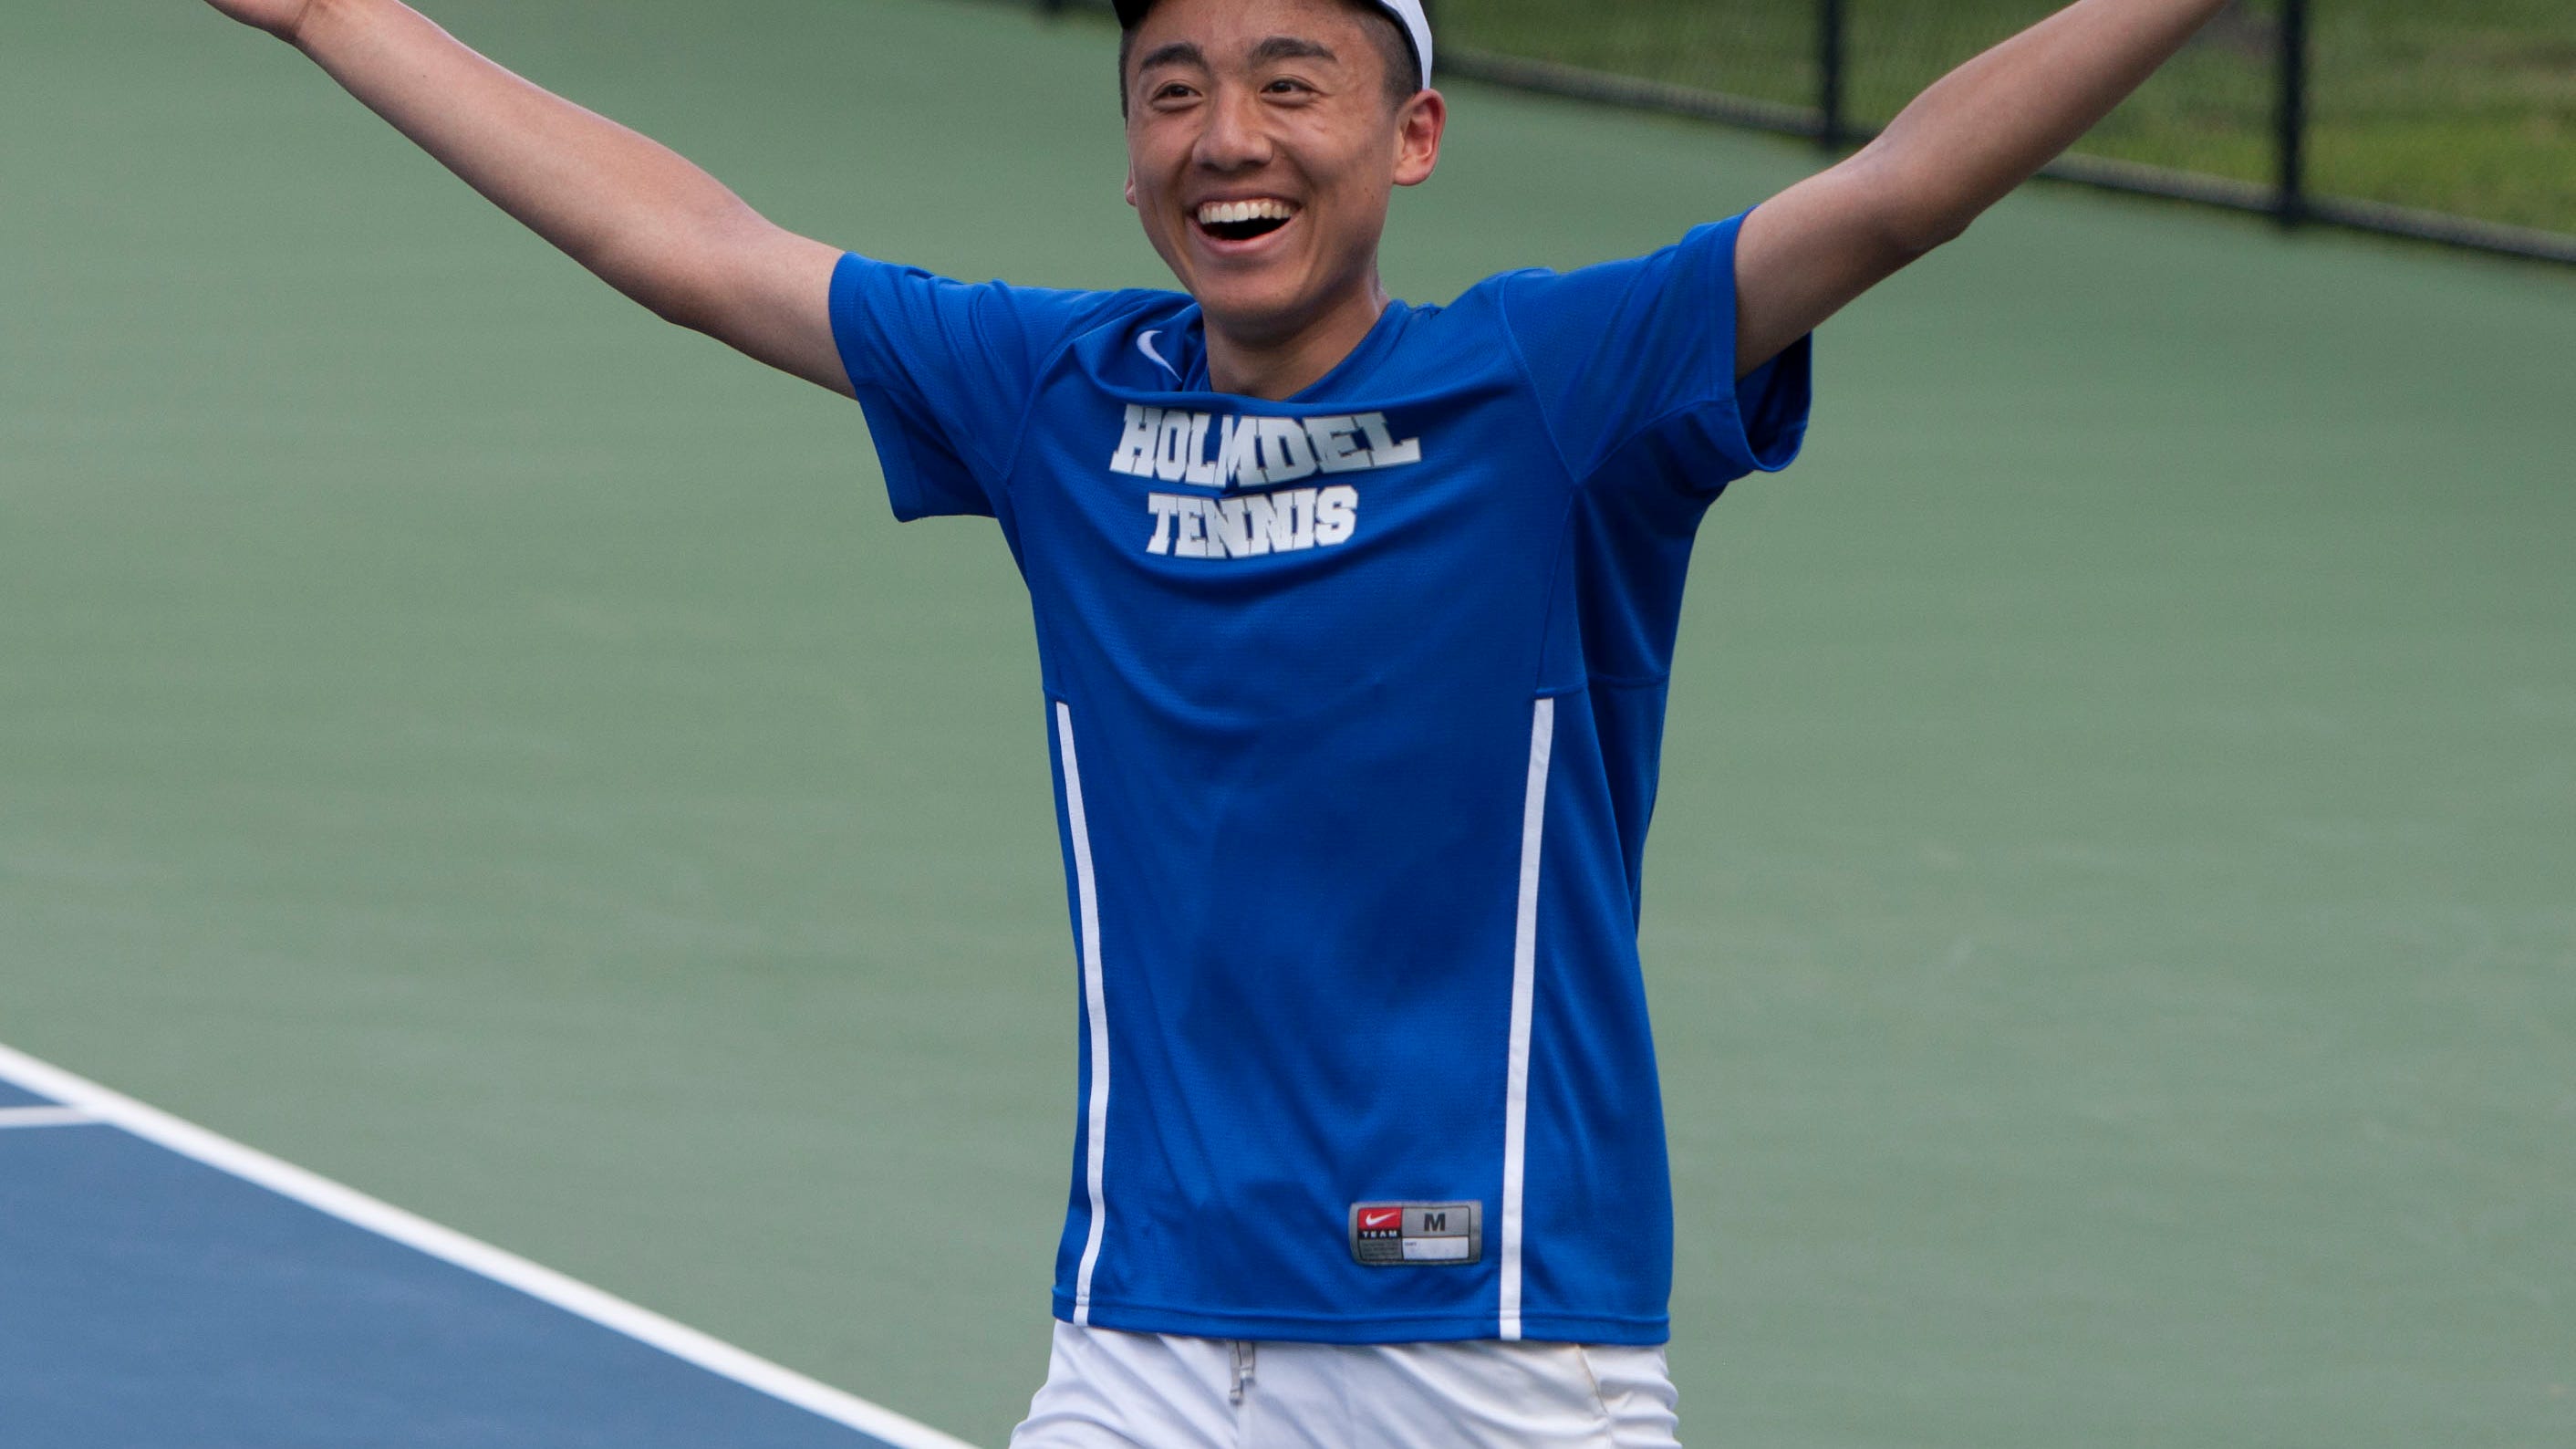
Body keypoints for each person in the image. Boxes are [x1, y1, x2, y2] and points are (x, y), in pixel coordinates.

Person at [196, 0, 2234, 1442]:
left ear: (1409, 133)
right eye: (1171, 87)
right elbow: (696, 247)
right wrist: (338, 15)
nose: (1224, 136)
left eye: (1289, 80)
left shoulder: (1554, 387)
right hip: (1153, 1336)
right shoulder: (1054, 397)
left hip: (1498, 1339)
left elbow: (1891, 193)